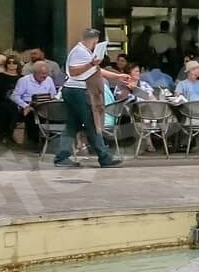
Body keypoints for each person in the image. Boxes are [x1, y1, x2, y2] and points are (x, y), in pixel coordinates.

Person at [59, 30, 128, 169]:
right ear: (94, 41)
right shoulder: (80, 52)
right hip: (79, 90)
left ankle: (62, 157)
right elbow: (74, 71)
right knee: (91, 121)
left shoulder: (85, 52)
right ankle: (104, 157)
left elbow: (96, 70)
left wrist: (117, 77)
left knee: (72, 125)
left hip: (74, 90)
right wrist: (90, 64)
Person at [10, 60, 59, 146]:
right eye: (42, 74)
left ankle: (52, 140)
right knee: (32, 114)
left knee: (56, 113)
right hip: (28, 103)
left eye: (46, 73)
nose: (44, 76)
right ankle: (34, 141)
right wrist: (25, 106)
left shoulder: (49, 79)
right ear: (34, 73)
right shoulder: (24, 80)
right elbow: (14, 96)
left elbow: (53, 95)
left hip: (46, 104)